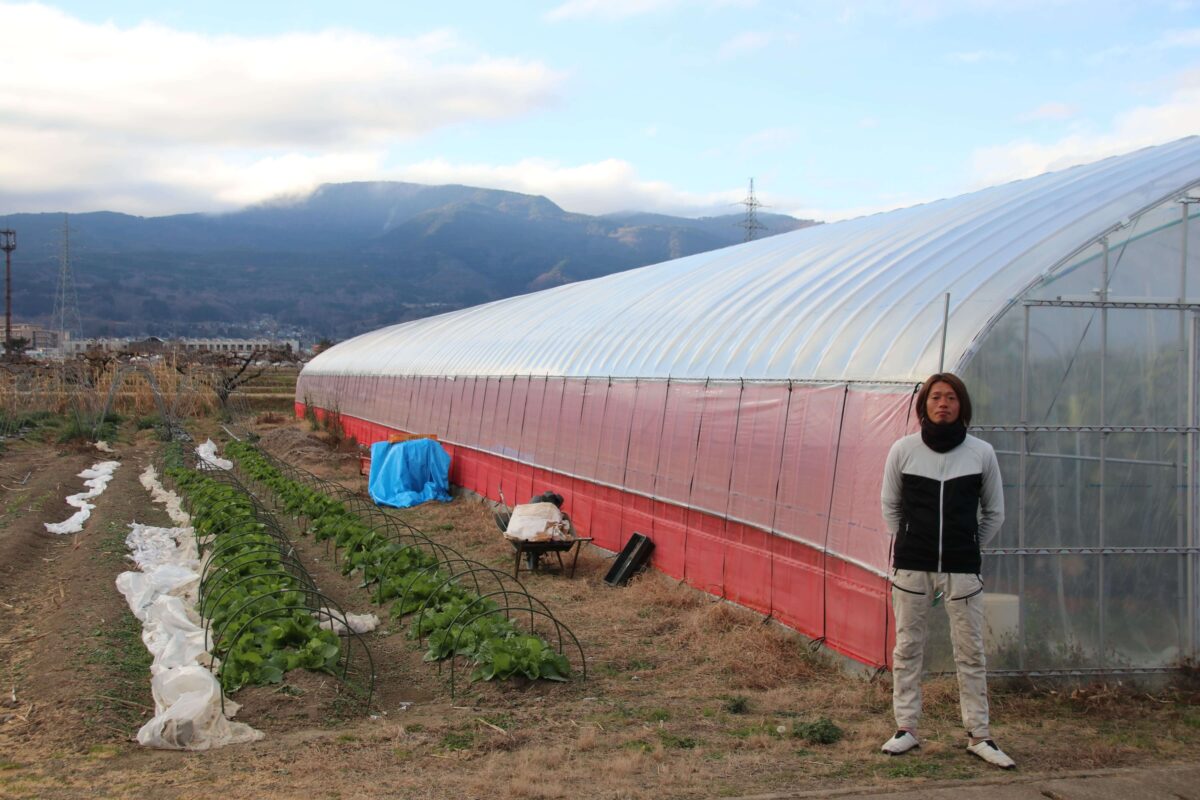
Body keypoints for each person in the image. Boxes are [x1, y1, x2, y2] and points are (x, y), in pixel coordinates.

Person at [879, 372, 1015, 769]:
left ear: (962, 406)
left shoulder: (981, 453)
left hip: (962, 570)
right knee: (907, 649)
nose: (943, 404)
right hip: (912, 568)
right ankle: (906, 728)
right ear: (924, 406)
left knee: (971, 653)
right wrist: (911, 540)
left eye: (951, 397)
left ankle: (980, 735)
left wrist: (966, 547)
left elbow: (994, 513)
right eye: (935, 397)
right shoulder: (903, 451)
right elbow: (890, 507)